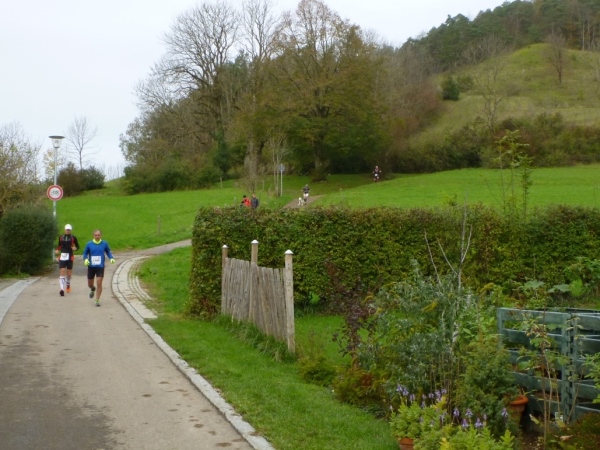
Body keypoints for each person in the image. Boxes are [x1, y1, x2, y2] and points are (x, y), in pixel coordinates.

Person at [82, 229, 115, 307]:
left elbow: (108, 252)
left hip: (100, 266)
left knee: (99, 282)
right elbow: (85, 253)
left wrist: (111, 258)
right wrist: (86, 259)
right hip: (91, 266)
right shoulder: (89, 244)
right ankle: (93, 289)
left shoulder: (104, 244)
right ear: (93, 236)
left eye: (98, 235)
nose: (97, 236)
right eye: (95, 235)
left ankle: (97, 300)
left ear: (101, 235)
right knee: (90, 284)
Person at [56, 223, 80, 296]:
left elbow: (77, 246)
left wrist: (75, 248)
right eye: (67, 229)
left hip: (70, 256)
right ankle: (62, 289)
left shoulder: (73, 238)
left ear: (70, 230)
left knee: (69, 274)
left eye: (69, 230)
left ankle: (68, 283)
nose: (68, 231)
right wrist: (57, 250)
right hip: (63, 256)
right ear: (65, 230)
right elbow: (60, 245)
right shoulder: (61, 237)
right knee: (62, 271)